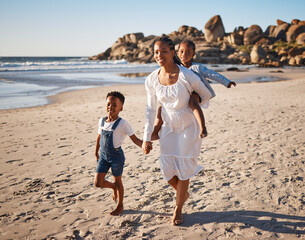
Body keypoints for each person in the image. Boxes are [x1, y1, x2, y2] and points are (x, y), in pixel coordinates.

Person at [142, 36, 212, 226]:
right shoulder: (151, 80)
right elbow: (150, 109)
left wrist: (195, 99)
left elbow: (207, 94)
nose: (159, 55)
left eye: (164, 51)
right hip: (168, 126)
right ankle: (183, 194)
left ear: (173, 52)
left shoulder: (186, 75)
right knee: (166, 168)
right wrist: (146, 137)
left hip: (188, 126)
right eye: (156, 52)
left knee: (183, 170)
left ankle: (178, 208)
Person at [151, 39, 236, 140]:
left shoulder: (197, 67)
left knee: (192, 102)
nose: (184, 55)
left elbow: (212, 74)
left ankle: (202, 127)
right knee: (162, 107)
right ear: (177, 53)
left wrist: (226, 82)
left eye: (188, 52)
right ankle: (155, 131)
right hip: (181, 92)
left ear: (193, 54)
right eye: (181, 52)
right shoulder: (176, 67)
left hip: (196, 93)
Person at [94, 91, 143, 216]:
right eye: (108, 104)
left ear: (121, 107)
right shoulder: (102, 121)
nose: (110, 107)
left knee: (118, 181)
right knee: (98, 183)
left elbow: (135, 139)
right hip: (103, 156)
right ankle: (113, 187)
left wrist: (144, 145)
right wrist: (96, 152)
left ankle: (120, 205)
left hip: (116, 157)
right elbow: (99, 137)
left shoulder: (123, 124)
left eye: (114, 105)